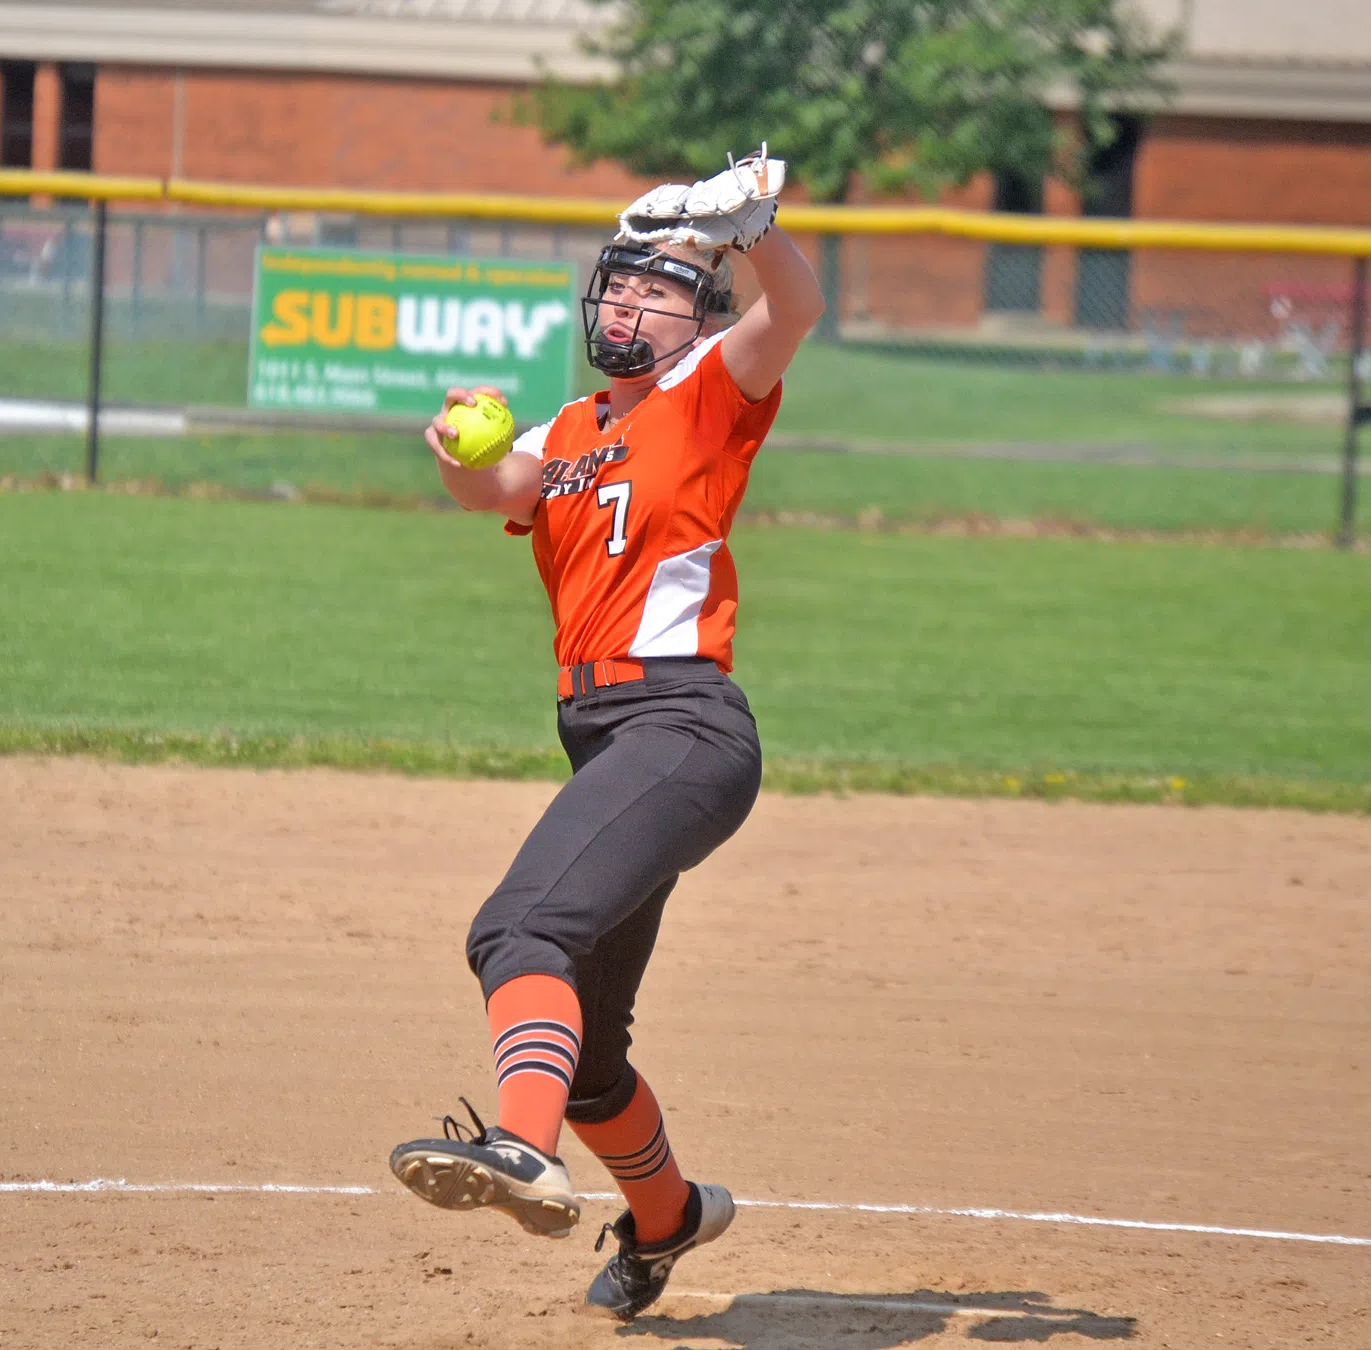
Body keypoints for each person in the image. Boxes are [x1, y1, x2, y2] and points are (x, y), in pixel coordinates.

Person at [386, 147, 821, 1321]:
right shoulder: (571, 425)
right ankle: (671, 1215)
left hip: (682, 724)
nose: (629, 302)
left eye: (658, 289)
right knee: (588, 1054)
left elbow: (798, 307)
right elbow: (504, 489)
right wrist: (459, 462)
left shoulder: (715, 389)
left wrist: (749, 230)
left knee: (518, 928)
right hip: (611, 738)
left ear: (698, 317)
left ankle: (521, 1150)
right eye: (618, 286)